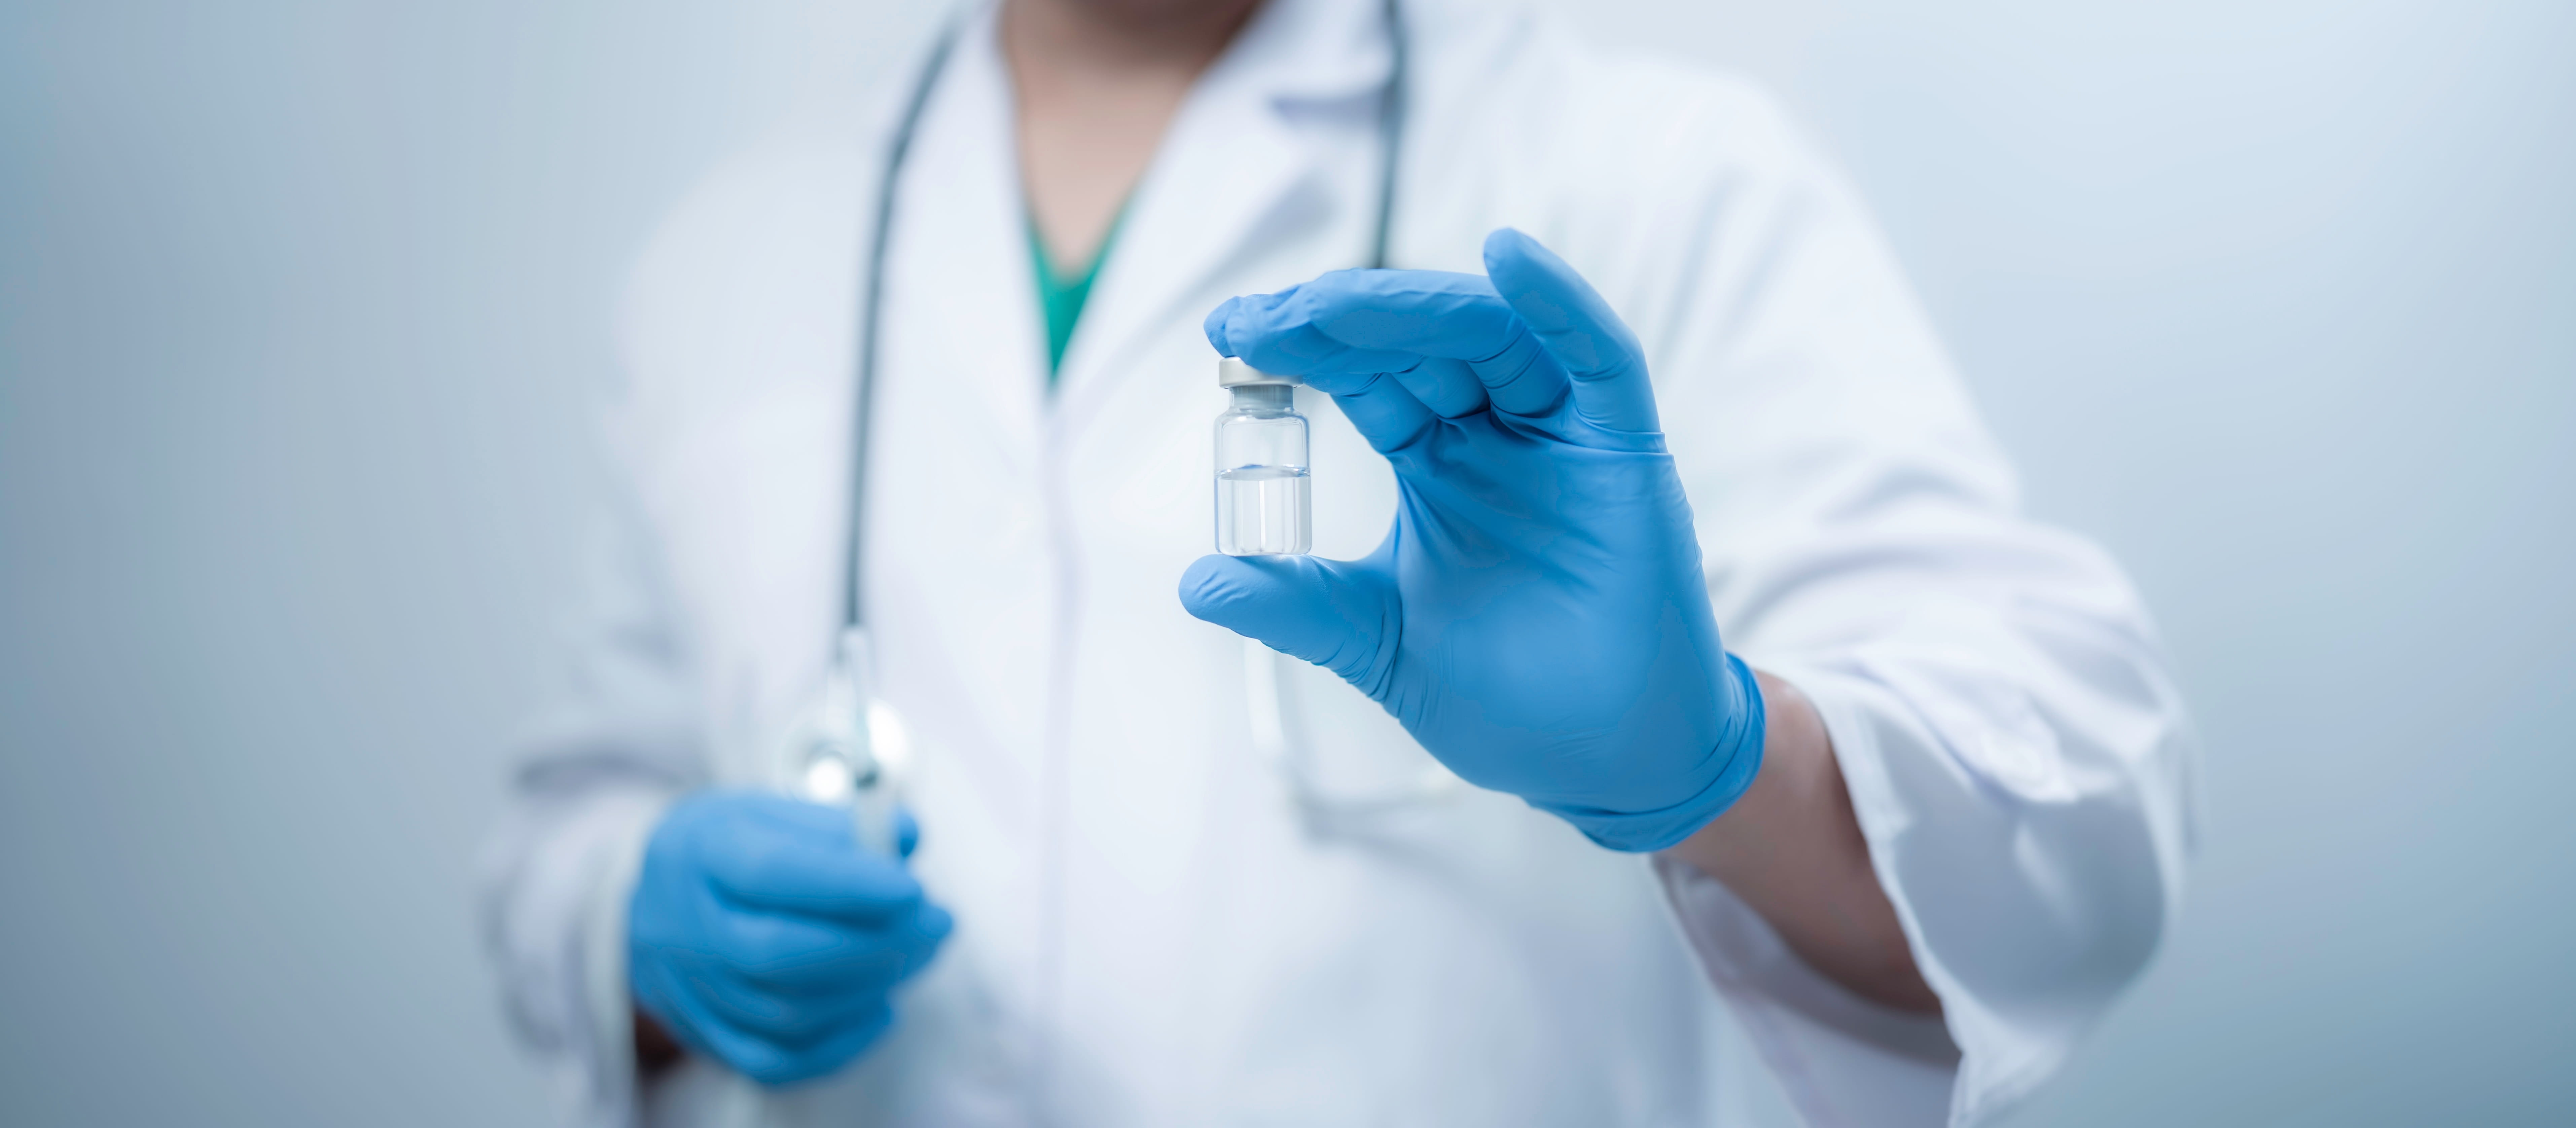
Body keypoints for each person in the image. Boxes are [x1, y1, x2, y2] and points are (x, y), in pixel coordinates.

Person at [480, 0, 2196, 1123]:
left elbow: (2086, 800)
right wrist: (637, 926)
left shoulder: (1655, 175)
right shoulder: (733, 255)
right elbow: (570, 815)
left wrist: (1720, 758)